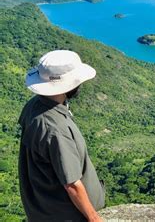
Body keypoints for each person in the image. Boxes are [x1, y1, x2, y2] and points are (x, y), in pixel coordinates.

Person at [18, 50, 105, 221]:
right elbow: (71, 183)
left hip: (44, 207)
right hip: (65, 215)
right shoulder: (56, 129)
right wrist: (94, 218)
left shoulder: (34, 105)